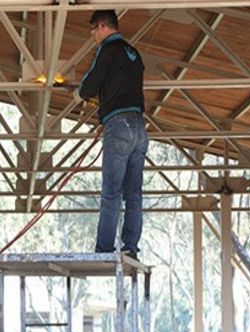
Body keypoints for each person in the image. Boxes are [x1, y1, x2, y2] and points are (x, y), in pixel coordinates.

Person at [77, 10, 148, 258]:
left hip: (119, 126)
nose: (93, 36)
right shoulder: (134, 53)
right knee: (134, 193)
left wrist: (79, 93)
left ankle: (104, 249)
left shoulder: (108, 50)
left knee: (111, 192)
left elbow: (91, 82)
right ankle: (130, 247)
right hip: (139, 127)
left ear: (103, 26)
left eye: (93, 31)